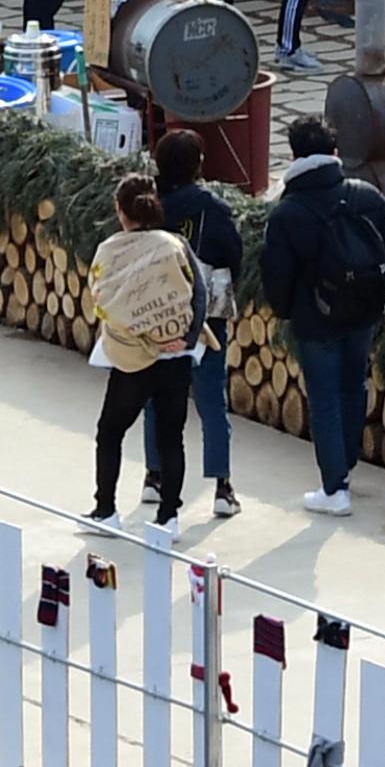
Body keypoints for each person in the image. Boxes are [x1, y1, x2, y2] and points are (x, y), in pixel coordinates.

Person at [257, 115, 385, 515]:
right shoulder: (364, 195)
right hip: (363, 312)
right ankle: (346, 466)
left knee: (324, 399)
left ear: (295, 155)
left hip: (316, 319)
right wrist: (378, 287)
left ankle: (334, 488)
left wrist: (289, 312)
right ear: (333, 153)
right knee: (354, 386)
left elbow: (277, 274)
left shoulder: (287, 213)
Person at [85, 174, 199, 531]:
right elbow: (200, 294)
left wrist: (139, 335)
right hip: (176, 354)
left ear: (120, 211)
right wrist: (188, 337)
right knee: (171, 437)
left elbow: (102, 300)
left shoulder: (109, 250)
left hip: (131, 357)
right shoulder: (174, 244)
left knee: (110, 431)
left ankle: (106, 511)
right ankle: (169, 517)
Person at [153, 130, 244, 519]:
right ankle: (222, 487)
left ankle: (153, 479)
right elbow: (233, 255)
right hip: (205, 316)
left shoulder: (150, 204)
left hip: (156, 313)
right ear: (198, 165)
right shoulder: (213, 208)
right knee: (211, 400)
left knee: (156, 398)